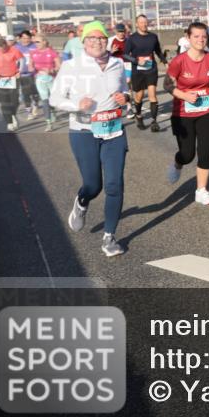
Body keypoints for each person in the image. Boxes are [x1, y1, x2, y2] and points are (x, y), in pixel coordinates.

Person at [50, 21, 130, 258]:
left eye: (101, 38)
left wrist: (124, 98)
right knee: (94, 185)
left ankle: (109, 237)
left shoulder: (117, 64)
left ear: (107, 40)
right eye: (92, 38)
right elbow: (55, 98)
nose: (97, 42)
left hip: (114, 130)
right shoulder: (72, 65)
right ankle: (82, 202)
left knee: (115, 185)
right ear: (83, 42)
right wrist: (76, 104)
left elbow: (124, 89)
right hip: (83, 131)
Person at [164, 22, 209, 206]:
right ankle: (177, 163)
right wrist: (184, 96)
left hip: (206, 110)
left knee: (205, 150)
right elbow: (167, 84)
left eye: (204, 36)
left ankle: (201, 191)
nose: (200, 40)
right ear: (188, 38)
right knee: (187, 154)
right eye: (196, 36)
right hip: (183, 113)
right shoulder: (179, 61)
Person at [124, 14, 168, 132]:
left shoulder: (153, 37)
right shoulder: (132, 38)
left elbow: (158, 51)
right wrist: (136, 61)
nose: (144, 24)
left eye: (145, 22)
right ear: (137, 24)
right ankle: (139, 115)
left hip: (151, 69)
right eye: (141, 22)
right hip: (137, 70)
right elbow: (125, 55)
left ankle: (154, 122)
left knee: (152, 95)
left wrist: (165, 62)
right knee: (139, 96)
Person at [31, 34, 61, 131]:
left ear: (44, 42)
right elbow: (30, 65)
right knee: (45, 101)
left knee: (52, 100)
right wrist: (31, 69)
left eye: (38, 42)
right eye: (35, 42)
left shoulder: (52, 52)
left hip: (51, 79)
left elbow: (59, 66)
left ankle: (53, 111)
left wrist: (51, 70)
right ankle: (48, 123)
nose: (36, 44)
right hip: (40, 80)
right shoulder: (33, 53)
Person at [14, 31, 40, 118]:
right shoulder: (16, 47)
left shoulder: (35, 46)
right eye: (24, 38)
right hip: (23, 74)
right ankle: (29, 112)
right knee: (25, 93)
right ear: (20, 38)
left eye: (28, 38)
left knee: (35, 92)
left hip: (34, 74)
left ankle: (35, 103)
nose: (26, 40)